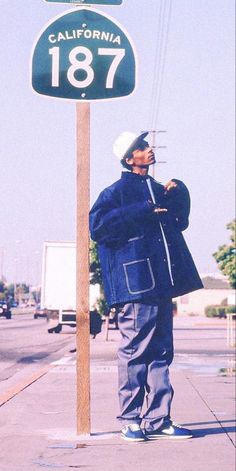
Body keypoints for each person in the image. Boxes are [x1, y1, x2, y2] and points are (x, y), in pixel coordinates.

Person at [89, 131, 203, 442]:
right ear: (128, 159)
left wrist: (179, 194)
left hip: (162, 284)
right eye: (141, 148)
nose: (148, 150)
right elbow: (98, 228)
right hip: (135, 285)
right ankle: (129, 420)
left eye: (147, 145)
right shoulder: (115, 193)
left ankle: (158, 419)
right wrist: (142, 211)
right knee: (134, 351)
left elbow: (180, 222)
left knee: (161, 352)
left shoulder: (156, 189)